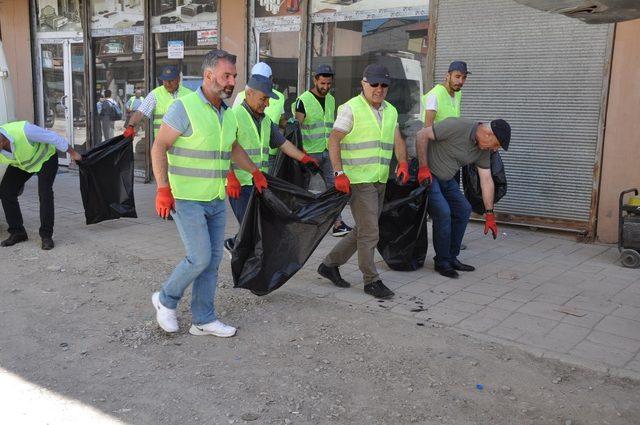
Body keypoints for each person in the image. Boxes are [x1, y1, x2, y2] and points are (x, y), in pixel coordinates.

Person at [150, 49, 268, 338]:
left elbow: (232, 148)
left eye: (234, 77)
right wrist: (163, 190)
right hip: (186, 198)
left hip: (215, 199)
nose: (231, 82)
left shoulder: (227, 114)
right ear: (208, 75)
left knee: (213, 261)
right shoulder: (185, 107)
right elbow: (159, 146)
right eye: (226, 75)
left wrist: (253, 171)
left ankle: (203, 318)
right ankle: (165, 299)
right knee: (199, 257)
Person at [316, 64, 409, 300]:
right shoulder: (351, 108)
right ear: (364, 84)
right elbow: (334, 140)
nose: (379, 89)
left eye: (384, 85)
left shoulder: (391, 111)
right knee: (370, 232)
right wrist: (339, 173)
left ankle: (329, 264)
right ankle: (371, 280)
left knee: (363, 229)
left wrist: (404, 162)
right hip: (358, 180)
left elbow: (397, 138)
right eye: (374, 84)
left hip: (379, 178)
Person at [224, 75, 320, 253]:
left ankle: (235, 245)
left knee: (255, 226)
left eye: (268, 99)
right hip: (240, 185)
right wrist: (230, 177)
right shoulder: (233, 116)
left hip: (259, 182)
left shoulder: (266, 120)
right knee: (252, 228)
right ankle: (244, 261)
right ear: (249, 93)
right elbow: (223, 148)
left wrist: (304, 158)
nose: (267, 104)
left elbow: (283, 143)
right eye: (263, 98)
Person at [415, 117, 511, 278]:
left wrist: (489, 214)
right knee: (443, 213)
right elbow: (421, 135)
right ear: (488, 134)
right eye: (496, 145)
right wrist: (423, 167)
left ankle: (452, 257)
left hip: (446, 179)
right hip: (429, 176)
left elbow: (486, 180)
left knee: (463, 209)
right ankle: (442, 262)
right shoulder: (456, 126)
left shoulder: (483, 151)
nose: (495, 150)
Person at [0, 121, 82, 250]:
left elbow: (53, 137)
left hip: (46, 159)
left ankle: (46, 236)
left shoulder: (24, 130)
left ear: (2, 140)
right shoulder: (2, 144)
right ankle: (17, 232)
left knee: (45, 193)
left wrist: (73, 153)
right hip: (23, 164)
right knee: (6, 191)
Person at [295, 64, 352, 237]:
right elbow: (296, 128)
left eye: (329, 84)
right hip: (309, 153)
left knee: (334, 187)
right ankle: (298, 223)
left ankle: (337, 223)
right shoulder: (303, 100)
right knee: (301, 189)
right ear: (315, 80)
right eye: (322, 83)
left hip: (327, 152)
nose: (326, 87)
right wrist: (301, 152)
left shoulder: (331, 100)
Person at [123, 65, 193, 140]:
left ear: (178, 79)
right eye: (165, 81)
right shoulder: (155, 94)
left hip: (183, 143)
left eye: (171, 80)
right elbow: (140, 112)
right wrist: (131, 126)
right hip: (162, 144)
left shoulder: (189, 94)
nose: (168, 84)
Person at [233, 62, 286, 129]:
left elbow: (233, 122)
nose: (267, 104)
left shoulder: (241, 95)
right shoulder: (280, 97)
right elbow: (282, 121)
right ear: (271, 79)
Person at [422, 61, 469, 127]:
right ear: (448, 76)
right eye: (457, 77)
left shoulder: (458, 93)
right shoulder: (434, 95)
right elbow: (427, 128)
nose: (461, 81)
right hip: (438, 137)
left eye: (464, 77)